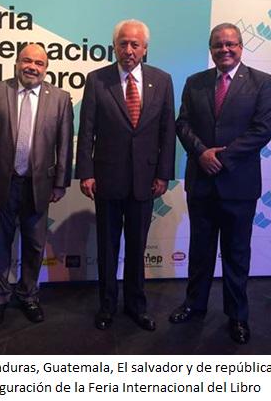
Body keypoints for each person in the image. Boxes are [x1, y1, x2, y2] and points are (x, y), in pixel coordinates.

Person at [170, 22, 271, 344]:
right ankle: (194, 304)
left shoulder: (261, 82)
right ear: (211, 49)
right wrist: (202, 153)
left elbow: (262, 130)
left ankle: (238, 316)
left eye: (230, 44)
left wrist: (223, 157)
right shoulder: (195, 82)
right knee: (200, 251)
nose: (224, 49)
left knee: (236, 254)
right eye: (218, 45)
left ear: (241, 47)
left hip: (239, 186)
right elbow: (182, 123)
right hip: (201, 183)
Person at [76, 19, 176, 331]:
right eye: (123, 43)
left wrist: (164, 174)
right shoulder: (97, 80)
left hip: (145, 181)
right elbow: (87, 130)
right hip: (106, 179)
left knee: (137, 248)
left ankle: (136, 306)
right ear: (114, 47)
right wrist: (86, 173)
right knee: (107, 249)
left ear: (145, 48)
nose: (129, 50)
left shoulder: (162, 80)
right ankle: (107, 306)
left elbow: (167, 132)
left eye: (135, 44)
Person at [0, 44, 73, 328]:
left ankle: (29, 295)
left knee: (35, 245)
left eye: (39, 63)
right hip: (0, 184)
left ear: (46, 68)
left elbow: (65, 146)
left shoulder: (60, 99)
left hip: (39, 186)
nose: (32, 67)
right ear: (17, 63)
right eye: (27, 61)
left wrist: (61, 183)